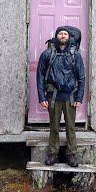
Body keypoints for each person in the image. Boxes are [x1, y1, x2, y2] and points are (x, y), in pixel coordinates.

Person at [36, 27, 85, 167]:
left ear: (69, 37)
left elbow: (81, 77)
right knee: (54, 127)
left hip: (70, 97)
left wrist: (79, 98)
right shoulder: (47, 54)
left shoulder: (75, 55)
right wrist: (42, 97)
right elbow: (39, 76)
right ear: (56, 36)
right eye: (60, 33)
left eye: (65, 34)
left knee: (71, 127)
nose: (63, 35)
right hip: (53, 96)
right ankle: (52, 154)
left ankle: (72, 154)